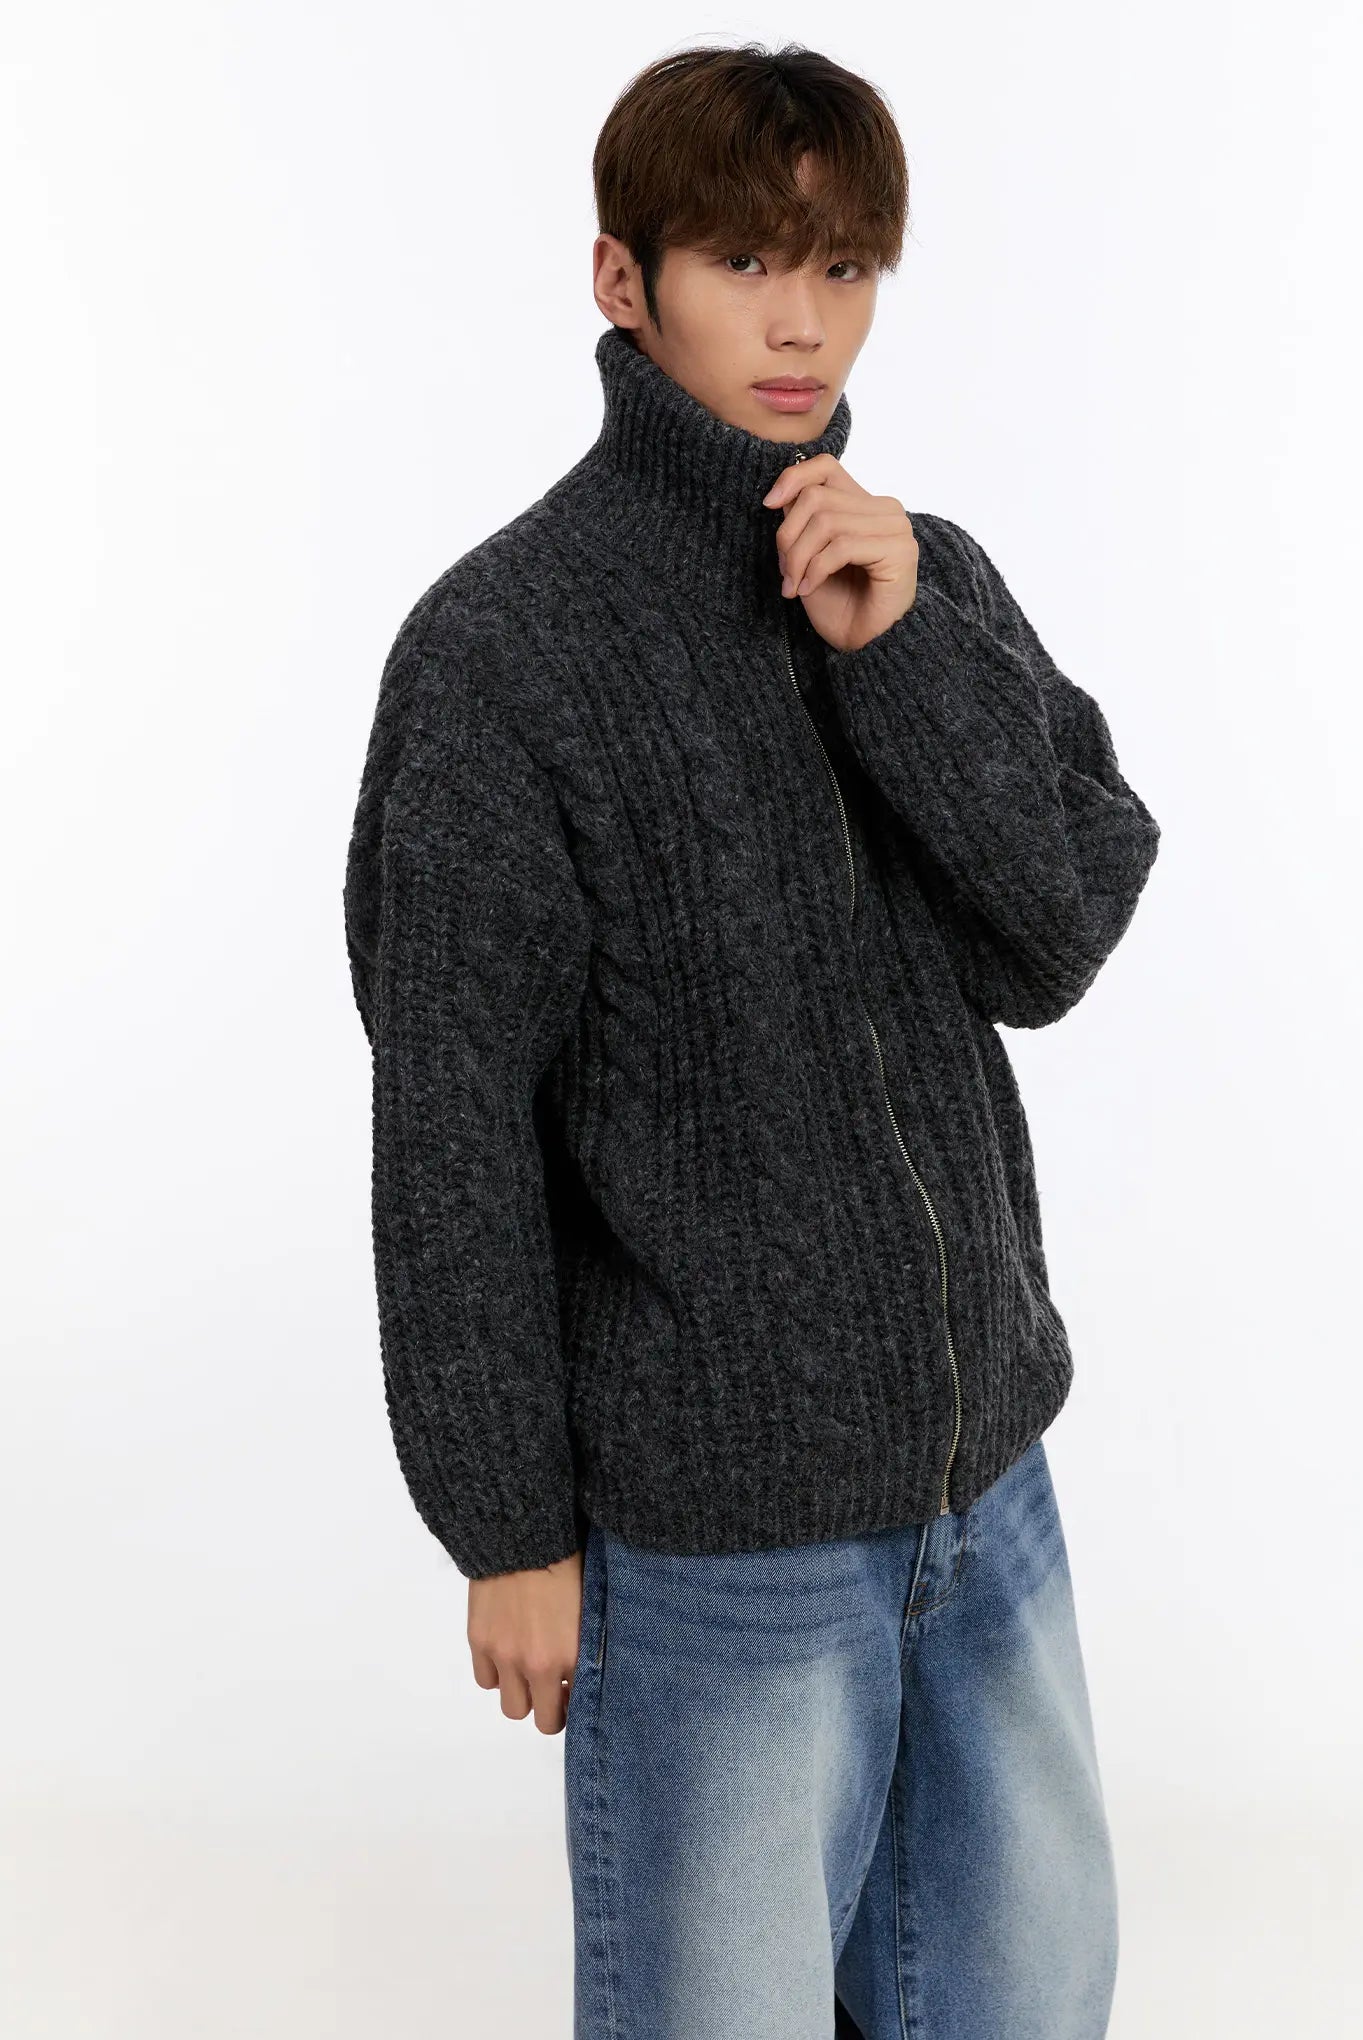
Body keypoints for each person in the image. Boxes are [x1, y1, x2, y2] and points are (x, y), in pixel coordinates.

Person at [342, 40, 1161, 2040]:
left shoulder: (916, 573)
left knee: (1029, 2003)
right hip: (721, 1544)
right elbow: (452, 1126)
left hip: (985, 1488)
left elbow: (1060, 928)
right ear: (623, 281)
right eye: (744, 262)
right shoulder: (504, 652)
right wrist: (504, 1524)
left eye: (846, 266)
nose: (803, 323)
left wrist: (902, 654)